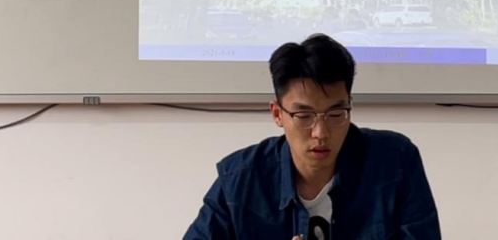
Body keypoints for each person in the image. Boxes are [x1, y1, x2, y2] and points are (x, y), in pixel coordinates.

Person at [183, 34, 441, 239]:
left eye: (335, 114)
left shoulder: (395, 162)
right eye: (304, 116)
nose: (321, 133)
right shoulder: (239, 179)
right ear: (278, 114)